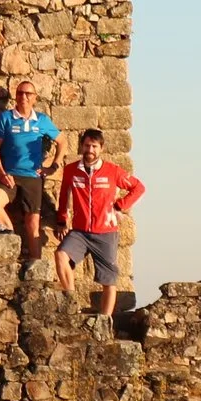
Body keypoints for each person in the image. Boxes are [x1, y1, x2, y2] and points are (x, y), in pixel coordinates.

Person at [55, 129, 146, 328]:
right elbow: (64, 196)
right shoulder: (71, 170)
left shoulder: (112, 171)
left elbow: (138, 188)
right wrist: (62, 220)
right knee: (61, 255)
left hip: (106, 232)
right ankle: (70, 301)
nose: (90, 150)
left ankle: (105, 322)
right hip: (79, 231)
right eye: (87, 145)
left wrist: (120, 205)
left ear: (101, 148)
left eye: (94, 146)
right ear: (81, 147)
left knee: (109, 280)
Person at [0, 80, 62, 273]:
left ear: (35, 98)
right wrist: (1, 172)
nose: (24, 96)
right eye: (20, 93)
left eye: (28, 94)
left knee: (33, 223)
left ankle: (36, 264)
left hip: (33, 177)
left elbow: (62, 142)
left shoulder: (42, 120)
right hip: (10, 175)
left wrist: (53, 167)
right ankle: (11, 238)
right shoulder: (6, 118)